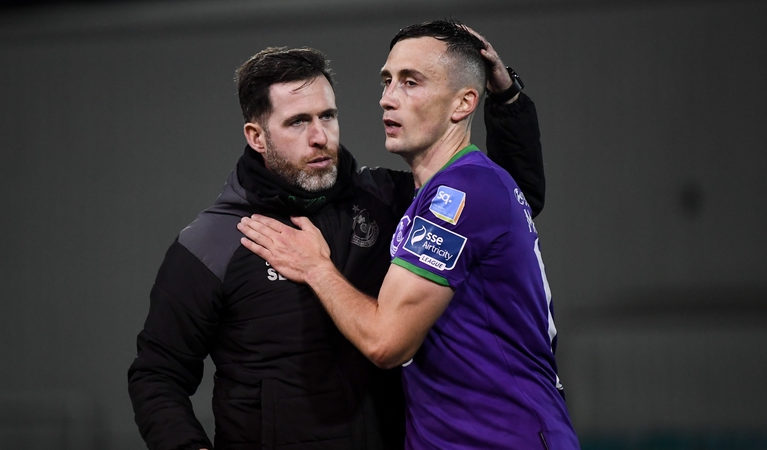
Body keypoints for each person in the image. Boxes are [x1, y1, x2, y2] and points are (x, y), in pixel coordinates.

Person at [128, 33, 545, 450]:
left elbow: (506, 195)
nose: (319, 136)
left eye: (327, 116)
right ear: (257, 137)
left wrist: (506, 99)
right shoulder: (213, 243)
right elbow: (157, 375)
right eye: (297, 122)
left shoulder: (386, 200)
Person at [238, 19, 579, 450]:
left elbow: (387, 342)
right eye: (387, 81)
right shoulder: (448, 191)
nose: (387, 99)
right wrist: (508, 97)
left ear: (463, 103)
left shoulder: (460, 194)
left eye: (410, 82)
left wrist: (315, 266)